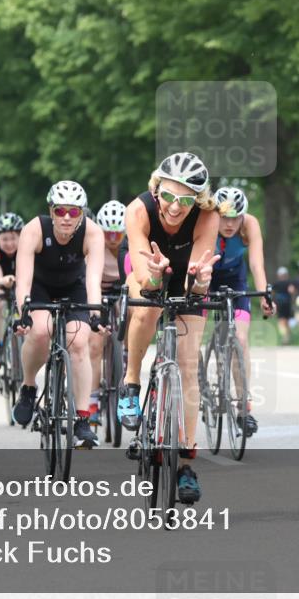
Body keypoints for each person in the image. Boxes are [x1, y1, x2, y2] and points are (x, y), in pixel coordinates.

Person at [118, 152, 222, 504]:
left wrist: (201, 281)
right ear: (156, 189)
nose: (175, 207)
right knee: (146, 308)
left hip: (187, 274)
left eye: (186, 200)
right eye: (168, 196)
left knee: (189, 365)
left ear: (198, 200)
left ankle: (186, 463)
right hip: (147, 269)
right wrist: (154, 274)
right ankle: (131, 381)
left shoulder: (208, 216)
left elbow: (196, 284)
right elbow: (144, 278)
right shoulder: (138, 210)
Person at [13, 181, 107, 449]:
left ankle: (82, 420)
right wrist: (23, 313)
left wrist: (95, 313)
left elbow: (93, 279)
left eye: (74, 212)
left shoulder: (92, 233)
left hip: (74, 288)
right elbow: (23, 279)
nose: (67, 217)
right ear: (51, 211)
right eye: (60, 211)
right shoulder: (34, 229)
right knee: (41, 331)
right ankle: (28, 387)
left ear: (82, 214)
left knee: (79, 342)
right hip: (39, 288)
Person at [209, 186, 274, 437]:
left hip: (235, 279)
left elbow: (256, 264)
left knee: (241, 339)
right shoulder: (206, 222)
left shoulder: (250, 225)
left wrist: (265, 294)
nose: (229, 224)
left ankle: (243, 407)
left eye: (235, 218)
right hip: (206, 278)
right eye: (224, 217)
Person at [87, 200, 127, 425]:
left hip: (120, 291)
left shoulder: (130, 245)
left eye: (117, 233)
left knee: (132, 313)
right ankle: (92, 400)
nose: (112, 238)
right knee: (94, 345)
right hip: (98, 292)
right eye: (108, 233)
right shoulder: (95, 244)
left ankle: (125, 355)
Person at [0, 212, 24, 368]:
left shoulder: (28, 244)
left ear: (20, 236)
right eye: (4, 239)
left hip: (21, 279)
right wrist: (5, 281)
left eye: (13, 238)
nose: (9, 243)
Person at [272, 266, 294, 345]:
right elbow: (292, 291)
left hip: (280, 303)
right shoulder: (289, 283)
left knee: (281, 320)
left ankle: (284, 336)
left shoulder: (276, 283)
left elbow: (272, 293)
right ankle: (287, 337)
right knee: (287, 320)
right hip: (287, 303)